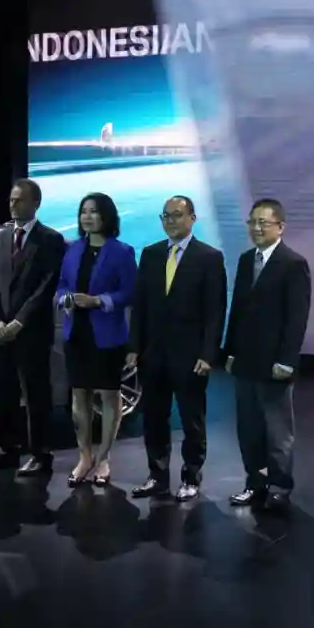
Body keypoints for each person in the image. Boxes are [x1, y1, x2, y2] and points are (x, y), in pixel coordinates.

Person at [126, 195, 226, 501]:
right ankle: (157, 476)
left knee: (192, 420)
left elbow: (215, 311)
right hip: (153, 354)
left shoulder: (209, 257)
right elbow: (140, 305)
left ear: (192, 218)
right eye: (166, 216)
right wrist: (134, 347)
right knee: (154, 418)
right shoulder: (151, 254)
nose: (171, 221)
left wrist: (208, 354)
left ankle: (191, 477)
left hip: (190, 355)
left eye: (177, 215)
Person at [222, 198, 311, 511]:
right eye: (252, 222)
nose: (256, 228)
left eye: (263, 222)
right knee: (248, 428)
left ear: (280, 227)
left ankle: (279, 487)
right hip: (245, 361)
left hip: (275, 363)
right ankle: (255, 482)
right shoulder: (246, 260)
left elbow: (296, 318)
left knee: (277, 431)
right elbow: (237, 310)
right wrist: (229, 352)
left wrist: (286, 361)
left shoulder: (293, 264)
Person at [0, 178, 67, 476]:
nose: (13, 204)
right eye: (11, 200)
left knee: (35, 395)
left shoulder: (50, 240)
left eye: (19, 200)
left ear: (35, 203)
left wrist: (19, 322)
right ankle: (6, 449)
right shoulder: (1, 238)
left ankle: (41, 454)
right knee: (1, 392)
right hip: (2, 331)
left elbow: (46, 286)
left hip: (31, 332)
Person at [55, 193, 137, 487]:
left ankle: (103, 459)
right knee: (79, 395)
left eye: (93, 212)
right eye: (83, 212)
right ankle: (84, 457)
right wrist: (64, 299)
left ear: (107, 216)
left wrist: (98, 301)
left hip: (107, 336)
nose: (87, 217)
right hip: (76, 333)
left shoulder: (121, 252)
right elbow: (61, 285)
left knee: (108, 396)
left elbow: (129, 292)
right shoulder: (73, 250)